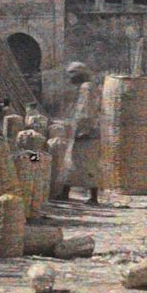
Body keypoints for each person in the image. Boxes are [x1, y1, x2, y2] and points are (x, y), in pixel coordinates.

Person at [62, 62, 102, 204]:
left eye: (72, 74)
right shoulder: (85, 88)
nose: (69, 78)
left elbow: (87, 112)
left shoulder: (87, 88)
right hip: (83, 131)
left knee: (88, 165)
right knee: (73, 163)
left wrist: (83, 129)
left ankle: (94, 197)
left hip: (87, 133)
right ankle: (64, 192)